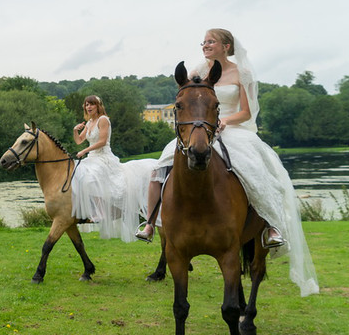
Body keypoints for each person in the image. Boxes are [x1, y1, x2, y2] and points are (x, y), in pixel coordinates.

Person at [135, 28, 318, 296]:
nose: (205, 45)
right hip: (201, 129)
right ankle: (151, 222)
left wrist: (224, 121)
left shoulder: (241, 72)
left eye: (211, 41)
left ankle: (271, 226)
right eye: (204, 41)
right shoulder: (198, 69)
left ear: (226, 45)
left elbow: (246, 111)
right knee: (158, 169)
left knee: (258, 170)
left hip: (232, 128)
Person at [70, 95, 150, 242]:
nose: (88, 107)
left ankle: (100, 212)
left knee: (90, 179)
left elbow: (102, 141)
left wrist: (85, 151)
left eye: (92, 105)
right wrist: (75, 131)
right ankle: (85, 211)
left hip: (103, 157)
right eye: (86, 105)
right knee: (77, 176)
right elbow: (79, 141)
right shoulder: (89, 122)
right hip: (91, 158)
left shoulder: (103, 120)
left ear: (98, 106)